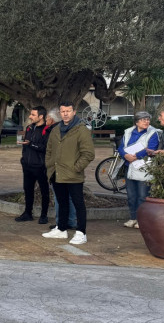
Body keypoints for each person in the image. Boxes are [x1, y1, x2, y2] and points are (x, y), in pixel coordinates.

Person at [43, 102, 95, 245]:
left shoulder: (81, 130)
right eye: (63, 111)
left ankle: (81, 232)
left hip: (73, 175)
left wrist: (76, 168)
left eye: (68, 111)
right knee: (62, 202)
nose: (65, 113)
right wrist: (49, 164)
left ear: (74, 112)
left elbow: (88, 153)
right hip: (56, 173)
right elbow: (49, 149)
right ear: (60, 113)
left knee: (78, 204)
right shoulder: (56, 129)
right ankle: (61, 229)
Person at [119, 111, 158, 229]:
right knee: (131, 196)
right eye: (143, 119)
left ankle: (142, 220)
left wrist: (135, 156)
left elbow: (151, 148)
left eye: (148, 119)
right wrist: (125, 155)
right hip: (129, 167)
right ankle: (133, 218)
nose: (146, 121)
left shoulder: (153, 133)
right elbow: (121, 146)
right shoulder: (128, 132)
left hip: (144, 168)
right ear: (137, 122)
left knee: (143, 196)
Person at [44, 108, 76, 230]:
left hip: (60, 169)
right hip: (66, 167)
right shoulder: (67, 129)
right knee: (69, 197)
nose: (46, 120)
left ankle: (61, 222)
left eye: (47, 118)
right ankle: (70, 221)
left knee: (60, 197)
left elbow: (51, 150)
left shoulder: (55, 130)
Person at [17, 106, 50, 223]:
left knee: (44, 191)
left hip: (40, 166)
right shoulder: (29, 128)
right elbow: (26, 145)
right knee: (28, 189)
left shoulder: (47, 129)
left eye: (33, 114)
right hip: (27, 165)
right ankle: (27, 213)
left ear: (41, 116)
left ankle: (44, 215)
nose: (30, 117)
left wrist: (31, 144)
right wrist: (23, 160)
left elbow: (45, 148)